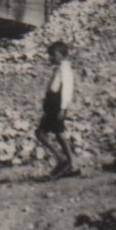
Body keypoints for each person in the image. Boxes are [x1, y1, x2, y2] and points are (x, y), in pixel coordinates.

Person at [36, 41, 79, 179]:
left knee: (42, 133)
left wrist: (63, 108)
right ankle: (72, 163)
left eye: (53, 55)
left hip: (57, 104)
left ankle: (62, 160)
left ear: (61, 55)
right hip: (53, 104)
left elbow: (67, 90)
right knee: (58, 133)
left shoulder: (64, 69)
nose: (51, 58)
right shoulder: (60, 68)